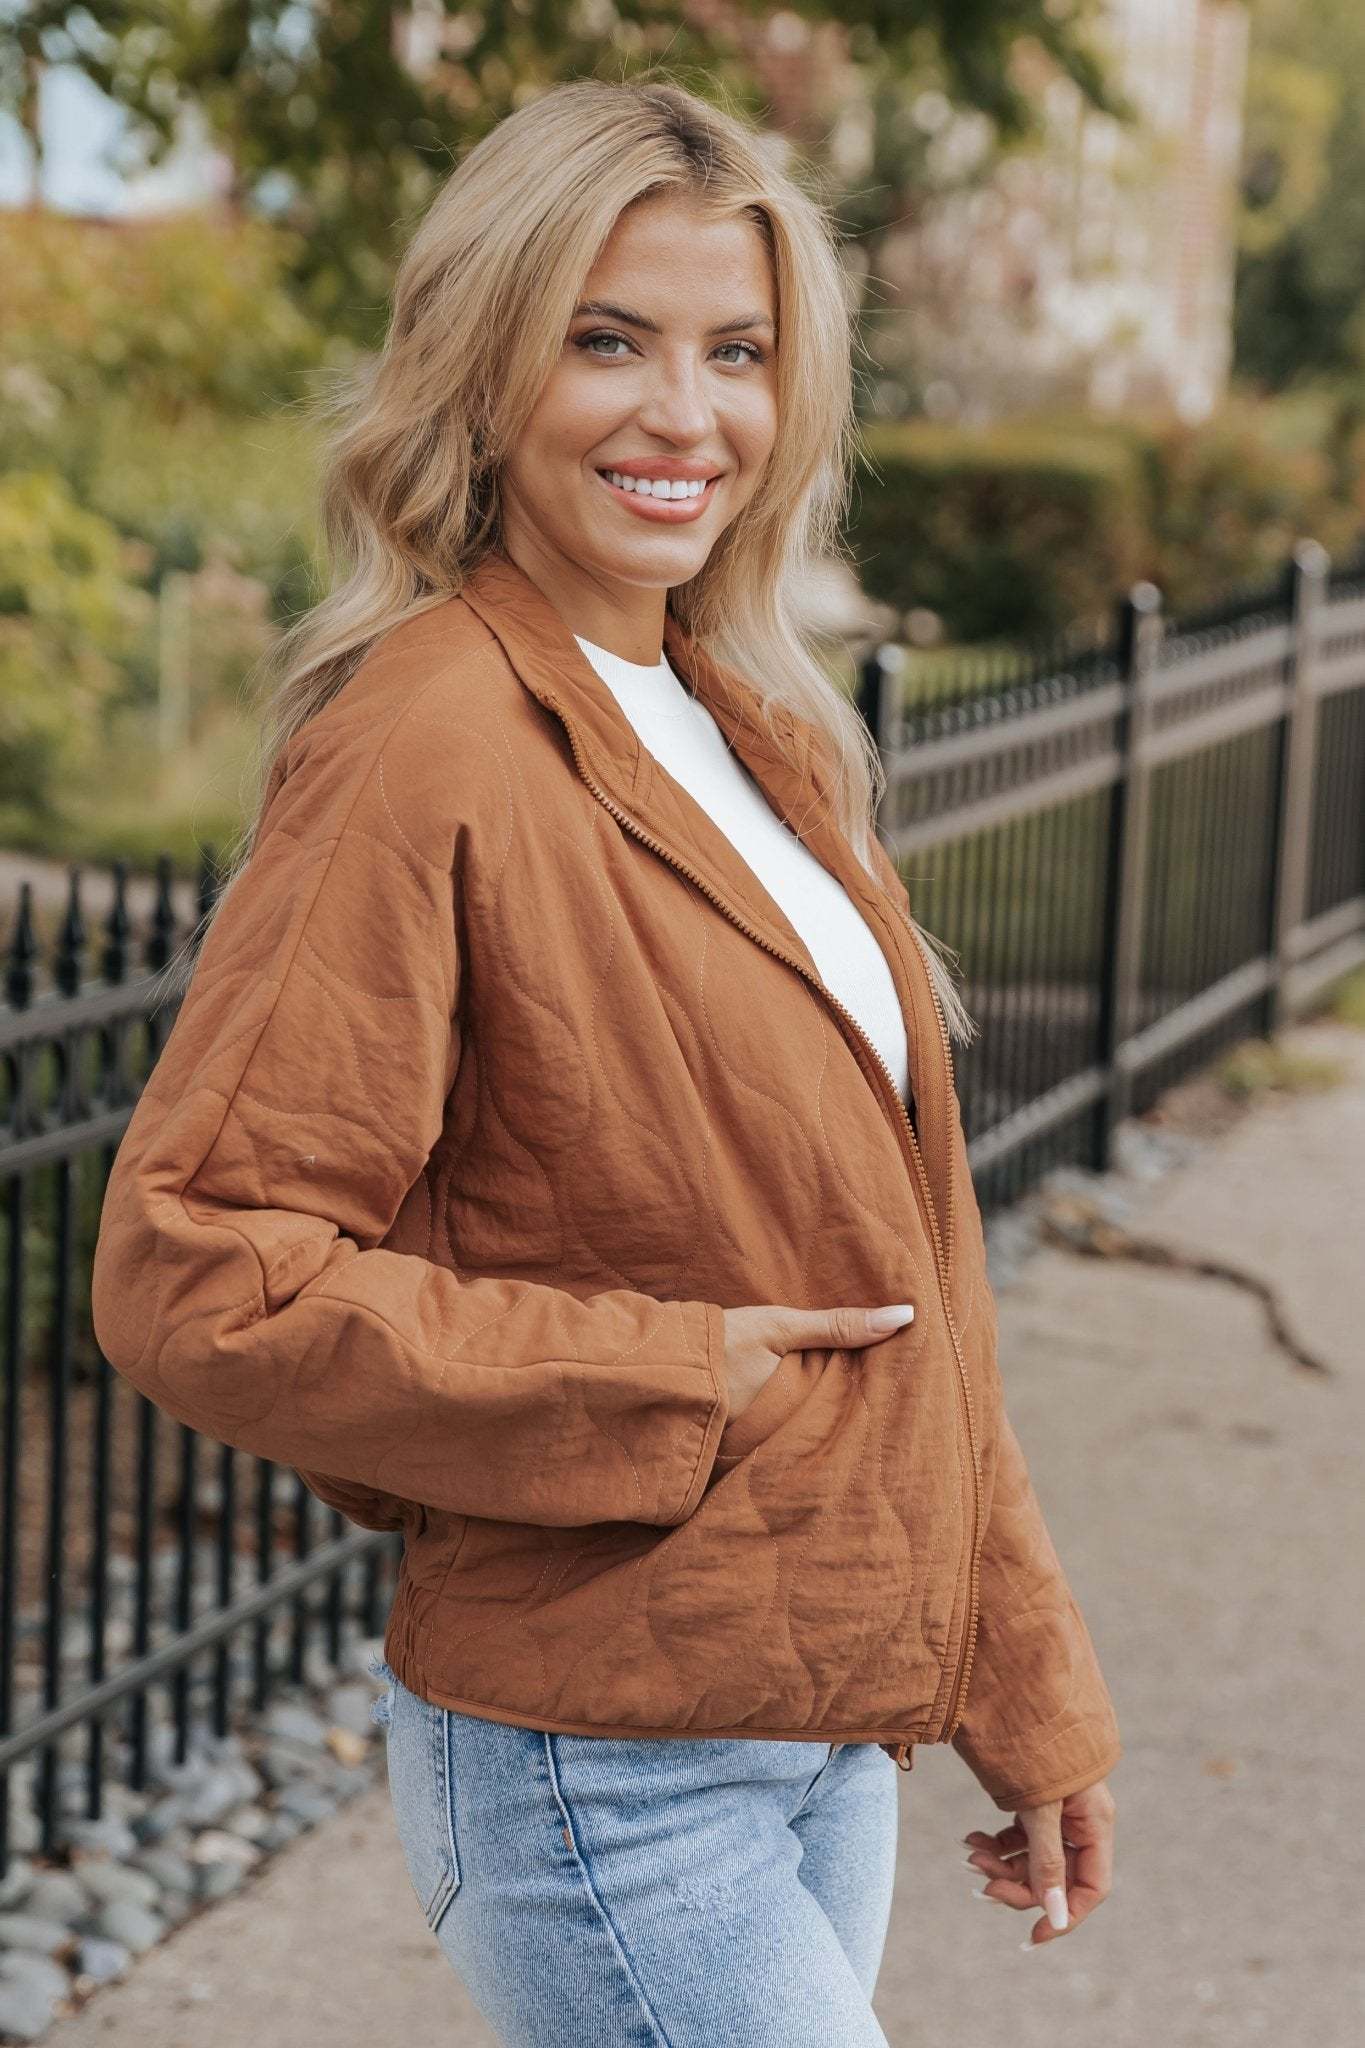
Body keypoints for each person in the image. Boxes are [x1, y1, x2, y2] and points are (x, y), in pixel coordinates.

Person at [91, 72, 1119, 2048]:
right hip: (603, 1769)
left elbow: (911, 1289)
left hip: (814, 1732)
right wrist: (666, 1376)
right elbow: (200, 1268)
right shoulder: (426, 737)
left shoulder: (751, 735)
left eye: (737, 352)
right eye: (606, 340)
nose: (683, 415)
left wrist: (1030, 1688)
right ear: (483, 371)